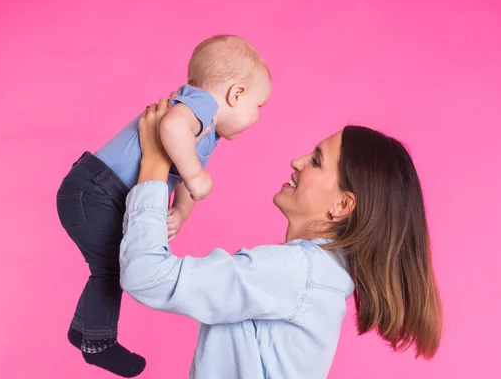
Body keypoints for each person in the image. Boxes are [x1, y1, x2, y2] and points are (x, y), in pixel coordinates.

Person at [119, 98, 443, 378]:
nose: (297, 162)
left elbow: (146, 275)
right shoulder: (317, 278)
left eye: (316, 161)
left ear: (341, 204)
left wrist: (154, 166)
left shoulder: (295, 272)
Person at [56, 35, 271, 377]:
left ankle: (84, 330)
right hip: (96, 190)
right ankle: (98, 343)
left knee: (110, 265)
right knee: (112, 268)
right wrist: (196, 174)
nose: (258, 116)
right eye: (260, 106)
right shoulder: (200, 105)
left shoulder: (204, 128)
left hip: (97, 190)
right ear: (237, 93)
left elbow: (181, 171)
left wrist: (183, 210)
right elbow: (170, 129)